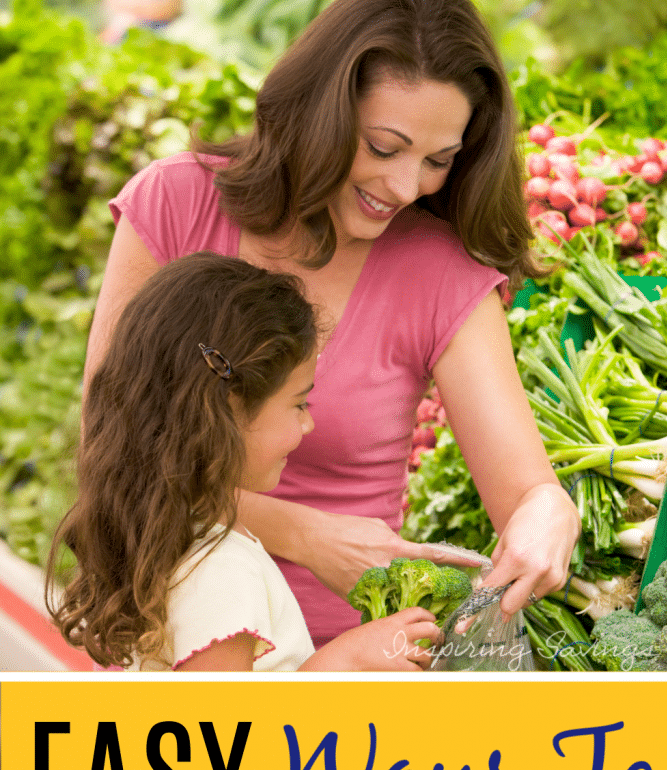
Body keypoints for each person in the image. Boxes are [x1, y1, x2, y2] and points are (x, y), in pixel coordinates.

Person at [83, 0, 582, 650]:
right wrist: (303, 535)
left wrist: (548, 515)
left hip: (342, 661)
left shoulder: (439, 272)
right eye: (382, 147)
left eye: (438, 161)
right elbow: (109, 453)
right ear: (320, 110)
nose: (405, 187)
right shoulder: (177, 203)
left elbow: (525, 493)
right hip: (172, 646)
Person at [47, 253, 440, 671]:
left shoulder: (166, 530)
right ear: (230, 409)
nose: (307, 424)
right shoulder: (222, 571)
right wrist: (344, 659)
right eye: (299, 403)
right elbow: (220, 732)